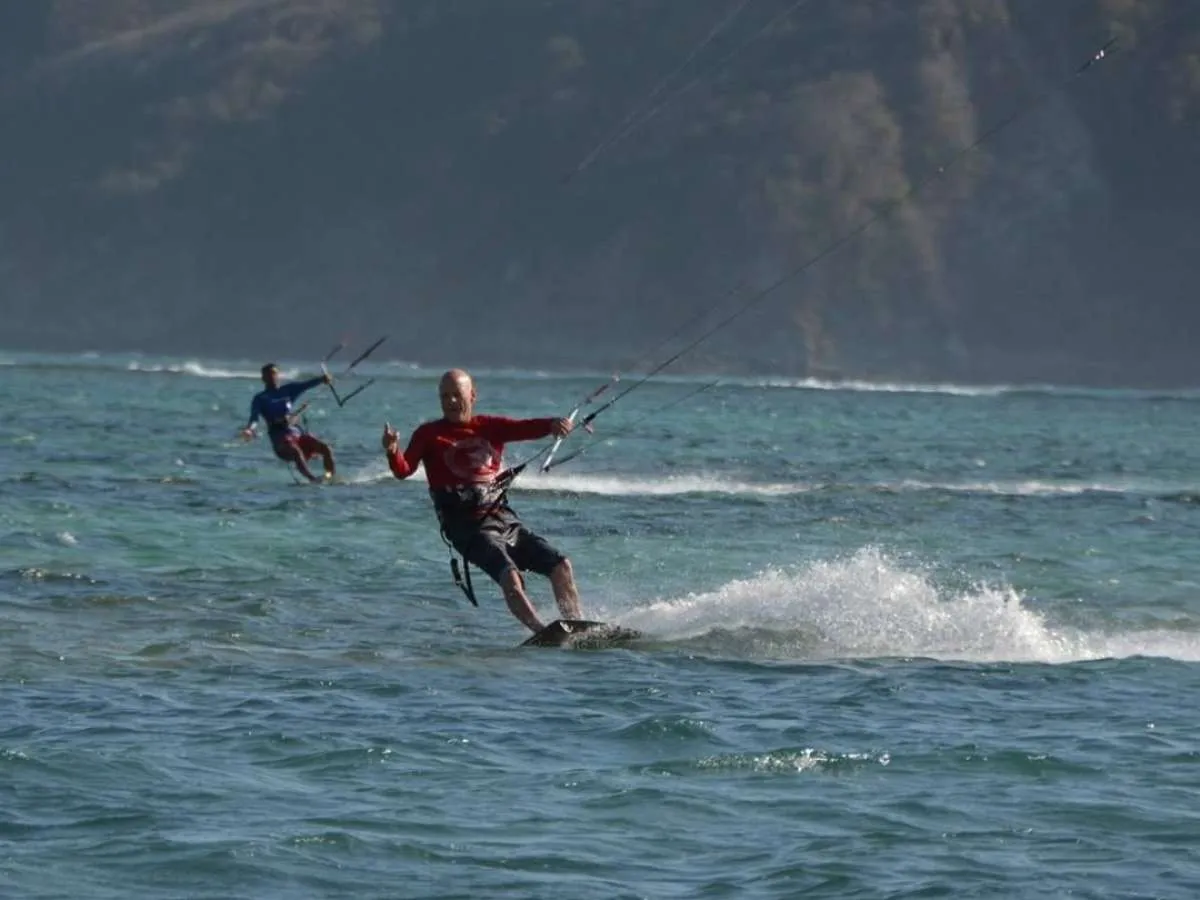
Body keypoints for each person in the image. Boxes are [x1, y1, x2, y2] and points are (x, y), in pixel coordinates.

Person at [380, 368, 580, 634]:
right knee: (510, 576)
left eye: (456, 395)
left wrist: (552, 424)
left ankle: (578, 626)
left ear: (472, 396)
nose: (451, 402)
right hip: (467, 528)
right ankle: (542, 632)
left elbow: (524, 427)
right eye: (445, 396)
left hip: (504, 519)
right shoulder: (428, 434)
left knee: (560, 566)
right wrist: (393, 451)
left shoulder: (489, 426)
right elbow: (403, 471)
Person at [241, 363, 336, 482]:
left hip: (296, 434)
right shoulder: (260, 398)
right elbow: (254, 418)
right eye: (268, 375)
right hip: (280, 440)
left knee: (326, 448)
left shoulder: (288, 390)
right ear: (263, 379)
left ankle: (330, 477)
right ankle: (312, 479)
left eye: (274, 374)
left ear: (278, 375)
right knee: (295, 450)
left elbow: (306, 385)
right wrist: (249, 429)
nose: (272, 377)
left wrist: (322, 379)